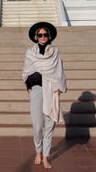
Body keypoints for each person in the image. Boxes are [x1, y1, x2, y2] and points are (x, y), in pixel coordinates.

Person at [22, 21, 67, 169]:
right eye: (40, 35)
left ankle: (46, 156)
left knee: (49, 124)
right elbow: (26, 71)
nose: (43, 37)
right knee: (37, 126)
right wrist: (29, 87)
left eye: (45, 35)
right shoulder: (30, 53)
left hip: (51, 90)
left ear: (49, 36)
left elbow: (60, 72)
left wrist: (59, 88)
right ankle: (38, 151)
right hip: (37, 90)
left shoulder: (55, 53)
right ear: (36, 37)